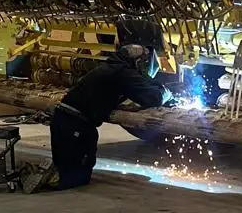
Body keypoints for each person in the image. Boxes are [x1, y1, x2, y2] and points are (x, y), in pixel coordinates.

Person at [32, 45, 164, 190]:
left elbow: (111, 93)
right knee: (78, 176)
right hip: (75, 125)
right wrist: (164, 93)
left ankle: (50, 175)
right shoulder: (122, 73)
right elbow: (153, 98)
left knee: (68, 166)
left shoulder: (109, 67)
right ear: (138, 61)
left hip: (63, 120)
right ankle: (49, 180)